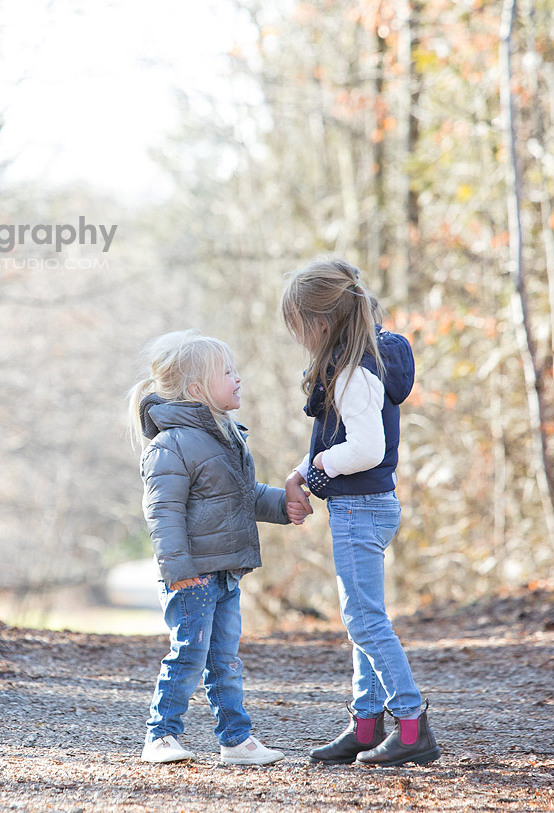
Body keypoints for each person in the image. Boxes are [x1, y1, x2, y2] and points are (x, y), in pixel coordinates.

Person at [280, 257, 441, 767]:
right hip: (369, 505)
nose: (299, 338)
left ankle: (411, 724)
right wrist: (300, 473)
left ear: (321, 324)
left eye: (299, 327)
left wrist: (321, 465)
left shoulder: (350, 372)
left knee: (365, 620)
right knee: (362, 617)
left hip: (360, 508)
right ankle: (367, 723)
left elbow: (364, 448)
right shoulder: (366, 361)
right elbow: (340, 439)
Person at [128, 330, 307, 766]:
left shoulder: (227, 437)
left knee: (225, 660)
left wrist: (285, 505)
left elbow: (242, 497)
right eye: (227, 372)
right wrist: (178, 567)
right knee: (189, 653)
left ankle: (236, 740)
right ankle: (161, 735)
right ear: (196, 390)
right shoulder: (171, 444)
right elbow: (163, 511)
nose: (238, 378)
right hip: (192, 575)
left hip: (225, 572)